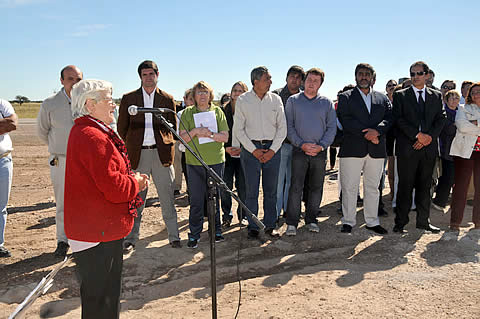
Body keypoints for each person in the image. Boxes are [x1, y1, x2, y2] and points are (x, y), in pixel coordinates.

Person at [65, 79, 149, 318]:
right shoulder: (92, 136)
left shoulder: (87, 131)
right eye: (109, 100)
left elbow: (105, 177)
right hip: (97, 232)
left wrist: (128, 177)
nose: (114, 105)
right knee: (101, 302)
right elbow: (114, 188)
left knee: (100, 298)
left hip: (97, 229)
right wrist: (137, 182)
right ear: (90, 105)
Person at [118, 60, 181, 251]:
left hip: (161, 155)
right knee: (136, 199)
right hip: (138, 155)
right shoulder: (129, 99)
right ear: (140, 77)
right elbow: (122, 127)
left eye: (151, 74)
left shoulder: (167, 99)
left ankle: (174, 236)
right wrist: (132, 144)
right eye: (144, 75)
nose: (148, 78)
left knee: (167, 198)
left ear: (157, 74)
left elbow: (172, 128)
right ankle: (131, 238)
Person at [336, 63, 392, 234]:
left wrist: (377, 132)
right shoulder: (345, 97)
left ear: (373, 78)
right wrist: (367, 134)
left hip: (376, 149)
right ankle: (348, 221)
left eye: (367, 74)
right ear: (355, 77)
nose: (364, 77)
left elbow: (390, 118)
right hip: (352, 148)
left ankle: (372, 221)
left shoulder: (382, 98)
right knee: (349, 187)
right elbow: (345, 119)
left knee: (373, 187)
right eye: (360, 74)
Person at [233, 66, 287, 239]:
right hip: (250, 150)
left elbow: (282, 128)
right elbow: (239, 130)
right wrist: (254, 150)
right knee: (251, 190)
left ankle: (271, 225)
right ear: (256, 82)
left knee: (271, 190)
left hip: (273, 148)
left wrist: (272, 150)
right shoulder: (243, 100)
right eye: (267, 79)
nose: (271, 82)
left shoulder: (276, 99)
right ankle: (253, 225)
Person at [392, 61, 446, 233]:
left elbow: (441, 118)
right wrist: (417, 136)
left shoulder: (436, 96)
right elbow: (398, 119)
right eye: (412, 74)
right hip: (408, 149)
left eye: (419, 73)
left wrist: (429, 137)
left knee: (425, 187)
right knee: (405, 187)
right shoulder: (400, 95)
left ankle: (423, 221)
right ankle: (400, 223)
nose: (415, 77)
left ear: (427, 75)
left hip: (428, 149)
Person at [37, 65, 83, 257]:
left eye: (78, 79)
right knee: (63, 202)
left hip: (85, 162)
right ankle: (63, 240)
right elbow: (42, 132)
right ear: (62, 81)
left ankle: (83, 240)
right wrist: (59, 147)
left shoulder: (89, 102)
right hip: (61, 161)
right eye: (70, 79)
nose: (74, 83)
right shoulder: (50, 104)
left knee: (85, 201)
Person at [284, 68, 337, 236]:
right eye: (309, 79)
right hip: (299, 150)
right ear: (303, 81)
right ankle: (292, 222)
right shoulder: (293, 101)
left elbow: (331, 128)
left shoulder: (326, 103)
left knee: (316, 187)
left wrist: (321, 146)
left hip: (320, 152)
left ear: (320, 84)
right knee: (295, 187)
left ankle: (311, 220)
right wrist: (301, 144)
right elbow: (289, 126)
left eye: (316, 80)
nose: (312, 83)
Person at [179, 81, 229, 248]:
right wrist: (195, 132)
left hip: (215, 161)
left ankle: (216, 231)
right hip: (194, 163)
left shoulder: (218, 111)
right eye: (199, 92)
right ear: (194, 96)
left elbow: (225, 137)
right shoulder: (187, 113)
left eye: (205, 92)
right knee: (196, 199)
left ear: (210, 95)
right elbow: (182, 138)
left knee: (214, 198)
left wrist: (211, 134)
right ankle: (194, 233)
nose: (202, 95)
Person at [272, 65, 305, 221]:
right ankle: (275, 213)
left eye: (298, 77)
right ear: (286, 78)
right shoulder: (275, 96)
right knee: (278, 182)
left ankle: (289, 211)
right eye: (292, 76)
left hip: (298, 146)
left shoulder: (305, 97)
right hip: (280, 145)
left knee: (293, 182)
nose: (295, 79)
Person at [449, 83, 480, 230]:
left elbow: (468, 128)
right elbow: (461, 126)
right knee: (461, 187)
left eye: (479, 92)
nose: (476, 94)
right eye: (473, 92)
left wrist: (475, 123)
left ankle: (478, 221)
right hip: (465, 152)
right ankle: (455, 222)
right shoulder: (462, 108)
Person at [220, 81, 248, 227]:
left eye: (240, 91)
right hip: (227, 155)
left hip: (244, 154)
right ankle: (226, 215)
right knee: (225, 187)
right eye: (235, 90)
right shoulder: (222, 111)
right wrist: (226, 148)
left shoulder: (250, 110)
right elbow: (218, 132)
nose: (237, 93)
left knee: (243, 187)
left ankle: (243, 216)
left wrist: (245, 148)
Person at [432, 90, 460, 211]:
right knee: (447, 176)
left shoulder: (461, 112)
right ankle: (439, 201)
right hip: (446, 150)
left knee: (451, 177)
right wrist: (461, 126)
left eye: (456, 98)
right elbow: (449, 130)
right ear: (446, 100)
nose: (454, 100)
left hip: (459, 150)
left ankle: (441, 199)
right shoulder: (444, 113)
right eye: (451, 98)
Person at [0, 99, 17, 258]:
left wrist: (7, 123)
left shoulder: (2, 103)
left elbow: (12, 123)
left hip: (3, 160)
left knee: (1, 205)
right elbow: (6, 124)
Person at [173, 89, 193, 197]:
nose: (192, 102)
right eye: (190, 99)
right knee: (185, 171)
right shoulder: (180, 114)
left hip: (200, 151)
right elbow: (178, 135)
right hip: (185, 150)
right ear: (185, 100)